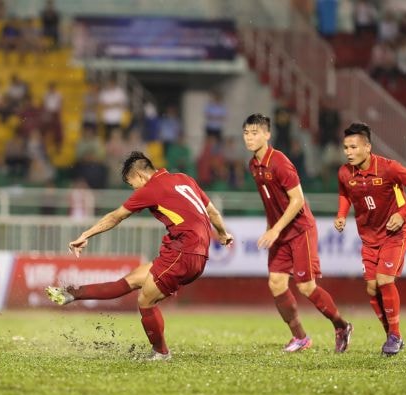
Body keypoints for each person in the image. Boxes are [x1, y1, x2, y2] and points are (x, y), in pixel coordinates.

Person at [45, 151, 234, 360]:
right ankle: (73, 294)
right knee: (132, 280)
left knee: (145, 300)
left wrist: (86, 234)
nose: (133, 188)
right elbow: (213, 212)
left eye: (131, 183)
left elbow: (116, 216)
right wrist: (223, 234)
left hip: (184, 251)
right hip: (192, 251)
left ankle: (161, 353)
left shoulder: (151, 188)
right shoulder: (184, 179)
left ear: (140, 176)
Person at [242, 113, 352, 353]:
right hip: (280, 232)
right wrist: (270, 228)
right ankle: (300, 337)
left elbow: (297, 200)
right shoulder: (254, 165)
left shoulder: (279, 162)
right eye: (246, 133)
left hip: (300, 229)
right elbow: (271, 201)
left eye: (255, 133)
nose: (249, 138)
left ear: (267, 135)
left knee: (305, 286)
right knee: (276, 283)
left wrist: (276, 228)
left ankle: (341, 325)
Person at [334, 122, 406, 356]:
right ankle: (393, 335)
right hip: (368, 238)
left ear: (367, 147)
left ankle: (394, 336)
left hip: (394, 234)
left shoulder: (387, 168)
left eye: (353, 147)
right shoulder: (345, 172)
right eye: (345, 148)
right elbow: (345, 192)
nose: (348, 152)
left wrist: (402, 214)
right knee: (372, 288)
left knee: (385, 280)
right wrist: (341, 215)